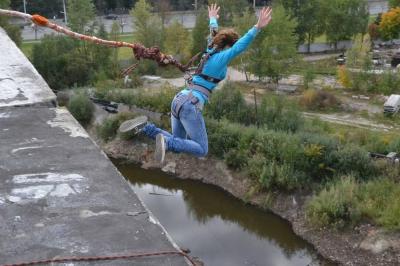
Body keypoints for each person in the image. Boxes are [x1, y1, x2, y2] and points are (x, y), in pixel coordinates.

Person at [119, 5, 272, 163]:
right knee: (201, 149)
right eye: (230, 49)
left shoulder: (210, 49)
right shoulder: (221, 58)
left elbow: (213, 33)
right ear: (228, 46)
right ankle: (164, 140)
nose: (230, 53)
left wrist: (213, 19)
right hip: (190, 105)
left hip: (179, 100)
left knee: (179, 143)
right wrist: (257, 27)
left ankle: (147, 129)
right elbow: (239, 47)